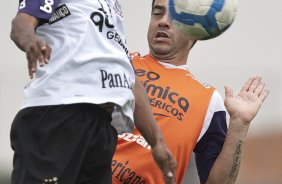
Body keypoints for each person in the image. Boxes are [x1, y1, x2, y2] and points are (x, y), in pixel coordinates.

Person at [9, 0, 177, 184]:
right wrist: (29, 40)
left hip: (101, 127)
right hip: (57, 115)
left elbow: (128, 77)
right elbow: (21, 22)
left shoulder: (111, 7)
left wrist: (157, 142)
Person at [112, 0, 269, 183]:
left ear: (197, 30)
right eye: (157, 13)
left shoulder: (208, 101)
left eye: (175, 17)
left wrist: (239, 124)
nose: (163, 21)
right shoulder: (118, 63)